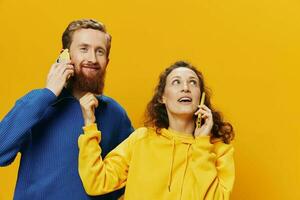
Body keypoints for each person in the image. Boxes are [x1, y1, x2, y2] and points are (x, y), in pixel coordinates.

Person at [0, 19, 133, 200]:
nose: (92, 59)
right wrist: (48, 94)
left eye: (99, 51)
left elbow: (130, 175)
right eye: (84, 49)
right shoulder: (39, 104)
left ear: (107, 62)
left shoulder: (115, 113)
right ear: (66, 55)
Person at [78, 61, 235, 200]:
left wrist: (202, 144)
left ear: (201, 97)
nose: (186, 88)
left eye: (193, 83)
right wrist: (90, 124)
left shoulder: (219, 151)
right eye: (176, 82)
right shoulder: (141, 140)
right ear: (162, 98)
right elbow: (96, 182)